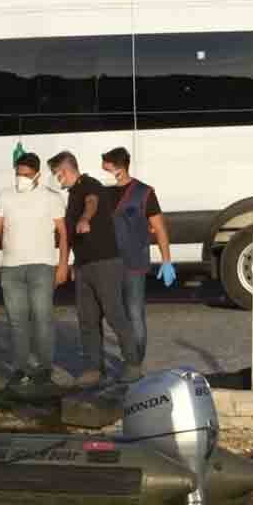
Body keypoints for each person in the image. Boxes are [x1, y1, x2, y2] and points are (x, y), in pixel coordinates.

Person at [50, 151, 142, 387]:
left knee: (114, 314)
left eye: (57, 174)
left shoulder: (89, 185)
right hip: (83, 265)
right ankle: (94, 368)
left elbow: (92, 202)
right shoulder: (72, 195)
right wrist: (69, 263)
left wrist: (85, 219)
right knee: (87, 319)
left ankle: (132, 364)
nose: (57, 179)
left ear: (67, 170)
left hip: (105, 262)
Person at [0, 152, 70, 388]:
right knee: (17, 320)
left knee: (42, 318)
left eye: (26, 175)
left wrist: (63, 264)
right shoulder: (4, 196)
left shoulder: (52, 198)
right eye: (18, 174)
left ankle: (44, 368)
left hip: (42, 266)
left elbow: (63, 234)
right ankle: (20, 368)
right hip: (11, 268)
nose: (21, 178)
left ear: (38, 175)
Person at [101, 147, 175, 364]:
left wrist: (167, 260)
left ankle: (135, 363)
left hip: (134, 263)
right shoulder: (104, 193)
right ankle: (128, 357)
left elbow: (159, 228)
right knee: (117, 315)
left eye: (106, 167)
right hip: (109, 264)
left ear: (119, 168)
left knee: (134, 313)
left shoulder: (144, 193)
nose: (103, 171)